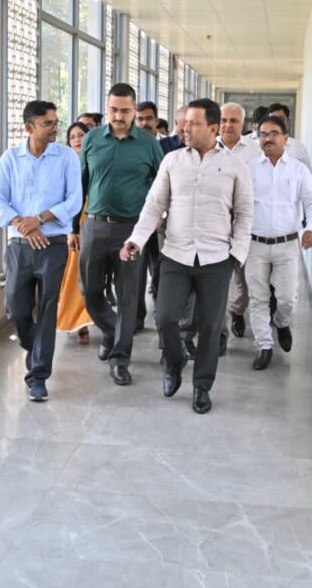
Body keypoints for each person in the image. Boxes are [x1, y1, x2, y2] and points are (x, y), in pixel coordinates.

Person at [120, 98, 253, 413]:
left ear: (213, 127)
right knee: (165, 316)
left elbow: (245, 213)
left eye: (193, 123)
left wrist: (237, 254)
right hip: (176, 255)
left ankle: (202, 386)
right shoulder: (172, 161)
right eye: (184, 123)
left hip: (217, 259)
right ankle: (174, 363)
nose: (185, 128)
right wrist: (136, 240)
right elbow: (154, 205)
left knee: (209, 326)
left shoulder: (235, 166)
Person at [0, 100, 82, 401]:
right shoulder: (11, 158)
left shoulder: (66, 158)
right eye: (48, 123)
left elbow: (74, 201)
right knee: (16, 307)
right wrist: (22, 224)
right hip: (20, 245)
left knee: (48, 307)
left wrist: (39, 219)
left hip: (53, 245)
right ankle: (35, 346)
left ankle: (38, 376)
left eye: (56, 121)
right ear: (29, 127)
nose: (55, 127)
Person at [75, 83, 164, 386]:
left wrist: (159, 216)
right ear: (107, 108)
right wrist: (74, 227)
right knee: (89, 290)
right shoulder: (92, 139)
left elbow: (162, 186)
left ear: (134, 110)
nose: (118, 116)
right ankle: (113, 332)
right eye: (113, 109)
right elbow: (81, 184)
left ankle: (119, 359)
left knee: (127, 297)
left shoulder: (149, 145)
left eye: (125, 110)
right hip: (95, 225)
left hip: (132, 230)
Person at [245, 115, 312, 370]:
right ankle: (264, 346)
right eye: (263, 134)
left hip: (287, 244)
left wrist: (310, 229)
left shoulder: (298, 170)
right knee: (258, 298)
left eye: (273, 134)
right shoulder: (249, 169)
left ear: (285, 138)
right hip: (255, 244)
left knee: (287, 297)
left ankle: (281, 322)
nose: (267, 139)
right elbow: (239, 205)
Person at [217, 102, 260, 339]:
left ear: (243, 124)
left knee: (243, 278)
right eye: (223, 120)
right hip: (215, 225)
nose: (227, 125)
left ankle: (237, 311)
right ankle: (217, 329)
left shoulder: (255, 151)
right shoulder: (208, 147)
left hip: (244, 224)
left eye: (233, 121)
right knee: (216, 280)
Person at [56, 122, 94, 344]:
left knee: (84, 274)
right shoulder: (63, 163)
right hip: (67, 225)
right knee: (71, 274)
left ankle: (83, 319)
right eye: (72, 136)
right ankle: (76, 320)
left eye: (81, 135)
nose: (77, 139)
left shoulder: (95, 160)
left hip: (91, 221)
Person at [134, 100, 163, 324]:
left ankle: (162, 315)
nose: (144, 123)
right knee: (136, 271)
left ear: (156, 120)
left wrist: (164, 214)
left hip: (162, 222)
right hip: (136, 219)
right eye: (140, 119)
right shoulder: (129, 147)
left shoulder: (169, 145)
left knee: (161, 270)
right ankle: (136, 317)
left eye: (149, 118)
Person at [267, 102, 312, 171]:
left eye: (281, 119)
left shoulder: (299, 148)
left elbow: (307, 175)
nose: (277, 123)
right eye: (273, 119)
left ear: (287, 123)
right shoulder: (257, 147)